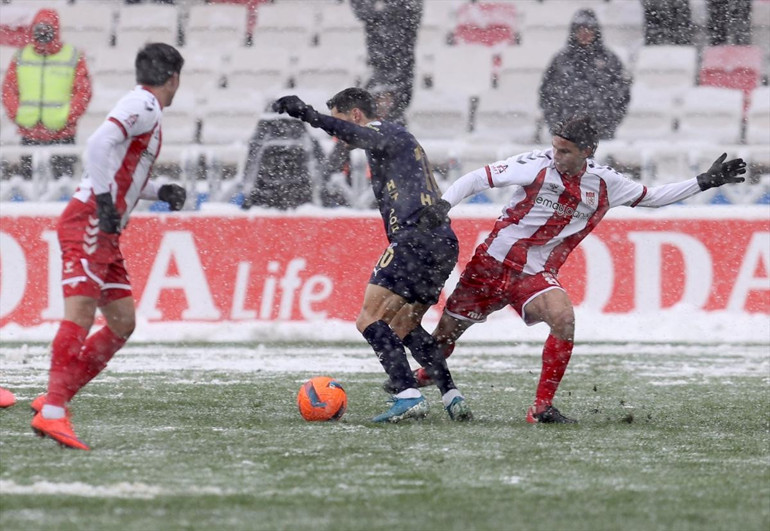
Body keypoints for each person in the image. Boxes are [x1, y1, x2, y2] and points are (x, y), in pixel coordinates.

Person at [407, 114, 746, 423]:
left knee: (564, 318)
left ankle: (541, 408)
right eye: (555, 148)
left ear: (588, 151)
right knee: (445, 338)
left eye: (565, 152)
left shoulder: (605, 182)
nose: (556, 156)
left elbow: (652, 197)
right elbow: (477, 178)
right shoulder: (535, 165)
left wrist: (703, 182)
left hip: (533, 274)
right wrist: (444, 205)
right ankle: (420, 377)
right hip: (490, 265)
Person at [273, 88, 471, 423]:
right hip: (441, 242)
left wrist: (308, 114)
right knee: (405, 324)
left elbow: (357, 134)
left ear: (355, 114)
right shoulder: (395, 141)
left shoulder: (385, 134)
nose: (339, 134)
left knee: (369, 319)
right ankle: (452, 396)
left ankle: (407, 395)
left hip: (415, 239)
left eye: (340, 122)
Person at [30, 43, 187, 450]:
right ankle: (53, 413)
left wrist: (158, 190)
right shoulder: (146, 105)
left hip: (105, 229)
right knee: (80, 312)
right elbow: (98, 145)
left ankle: (53, 398)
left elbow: (119, 166)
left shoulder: (143, 107)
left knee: (121, 321)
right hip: (90, 220)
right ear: (173, 78)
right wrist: (103, 202)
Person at [1, 8, 92, 179]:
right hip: (29, 132)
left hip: (63, 133)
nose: (42, 34)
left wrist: (66, 117)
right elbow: (9, 89)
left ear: (56, 30)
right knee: (28, 181)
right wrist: (18, 114)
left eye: (47, 30)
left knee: (63, 181)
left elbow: (83, 92)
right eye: (39, 30)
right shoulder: (21, 56)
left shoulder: (73, 56)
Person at [539, 9, 630, 141]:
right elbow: (547, 94)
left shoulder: (609, 60)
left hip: (601, 134)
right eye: (580, 29)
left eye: (589, 29)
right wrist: (556, 125)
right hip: (567, 136)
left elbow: (622, 93)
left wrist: (609, 123)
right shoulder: (561, 60)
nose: (585, 33)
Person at [350, 0, 423, 126]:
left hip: (399, 63)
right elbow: (362, 11)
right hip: (381, 61)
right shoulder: (374, 16)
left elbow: (413, 11)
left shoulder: (405, 13)